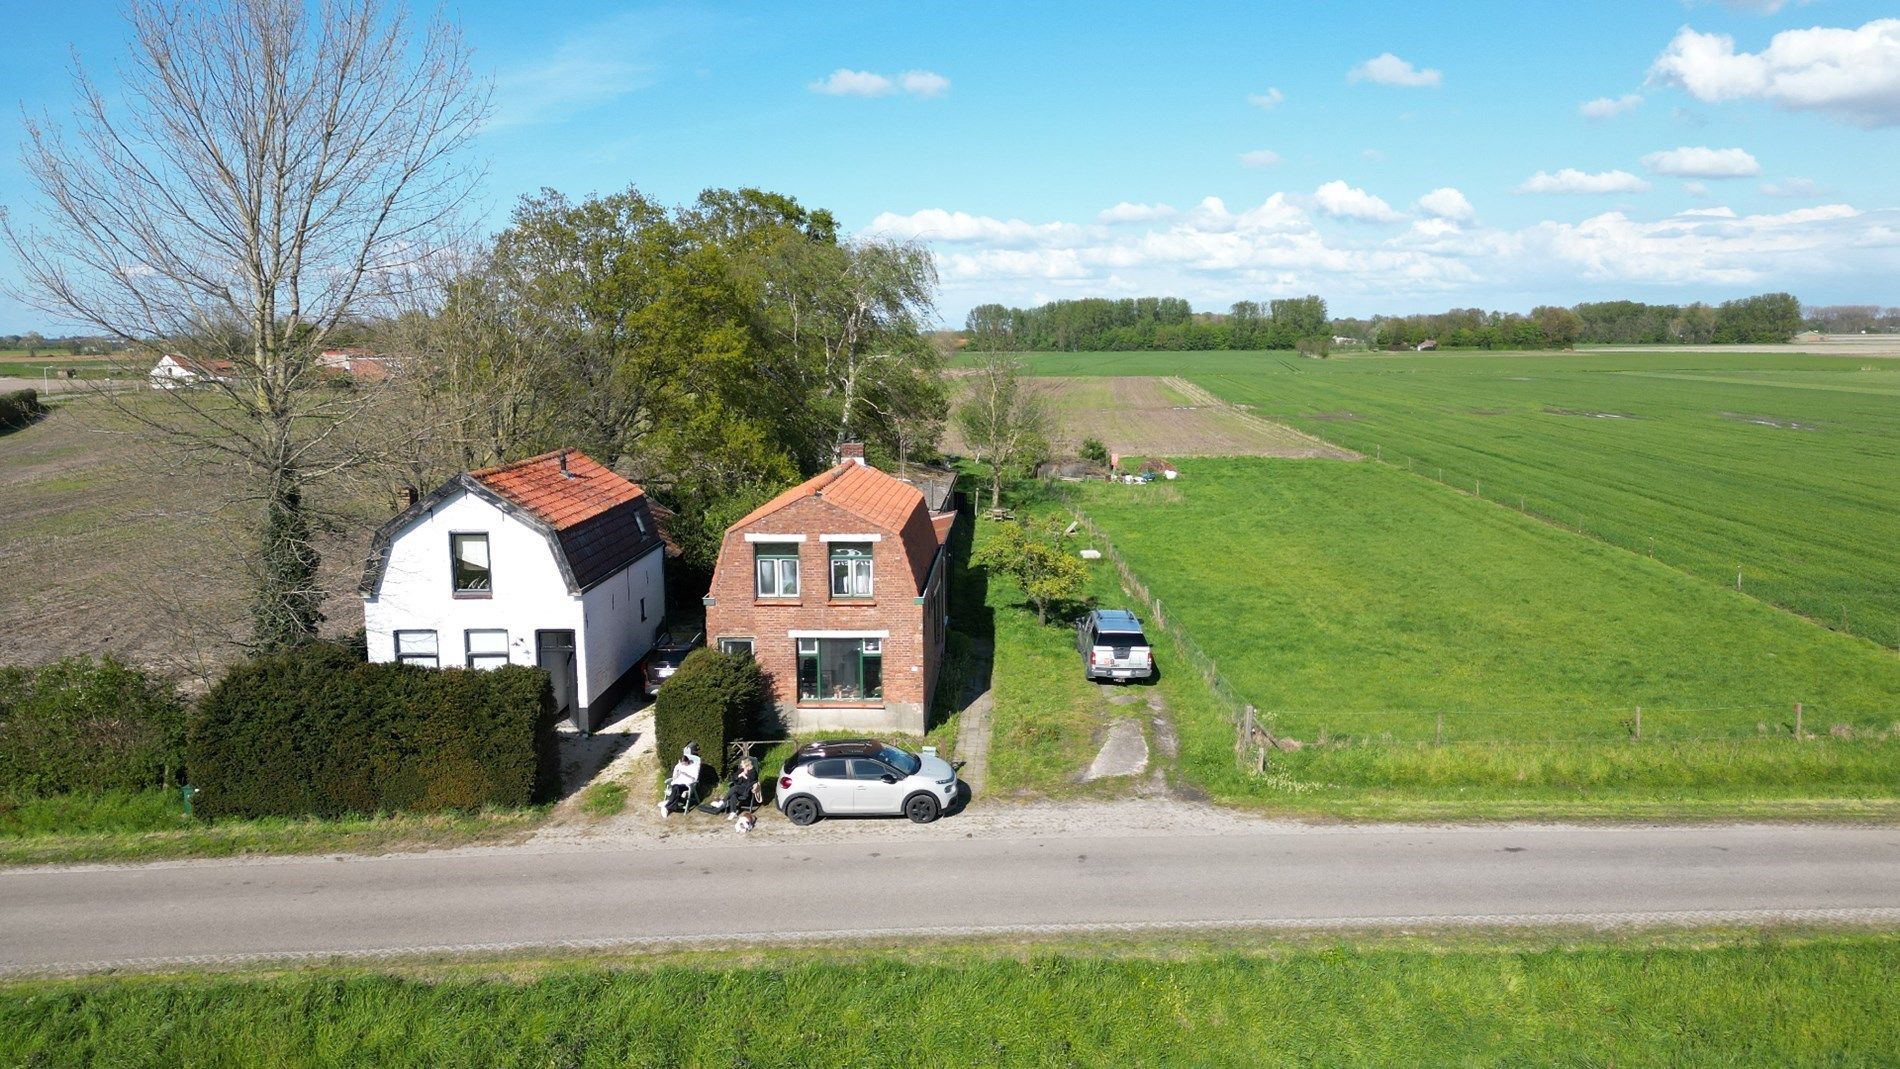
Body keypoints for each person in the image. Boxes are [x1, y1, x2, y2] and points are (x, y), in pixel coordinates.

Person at [658, 743, 702, 816]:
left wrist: (685, 774)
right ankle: (670, 805)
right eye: (682, 763)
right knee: (676, 788)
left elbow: (694, 779)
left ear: (687, 761)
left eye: (684, 763)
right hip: (678, 783)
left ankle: (667, 806)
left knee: (676, 788)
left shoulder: (694, 767)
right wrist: (678, 773)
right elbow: (674, 777)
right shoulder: (680, 766)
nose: (683, 765)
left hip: (687, 784)